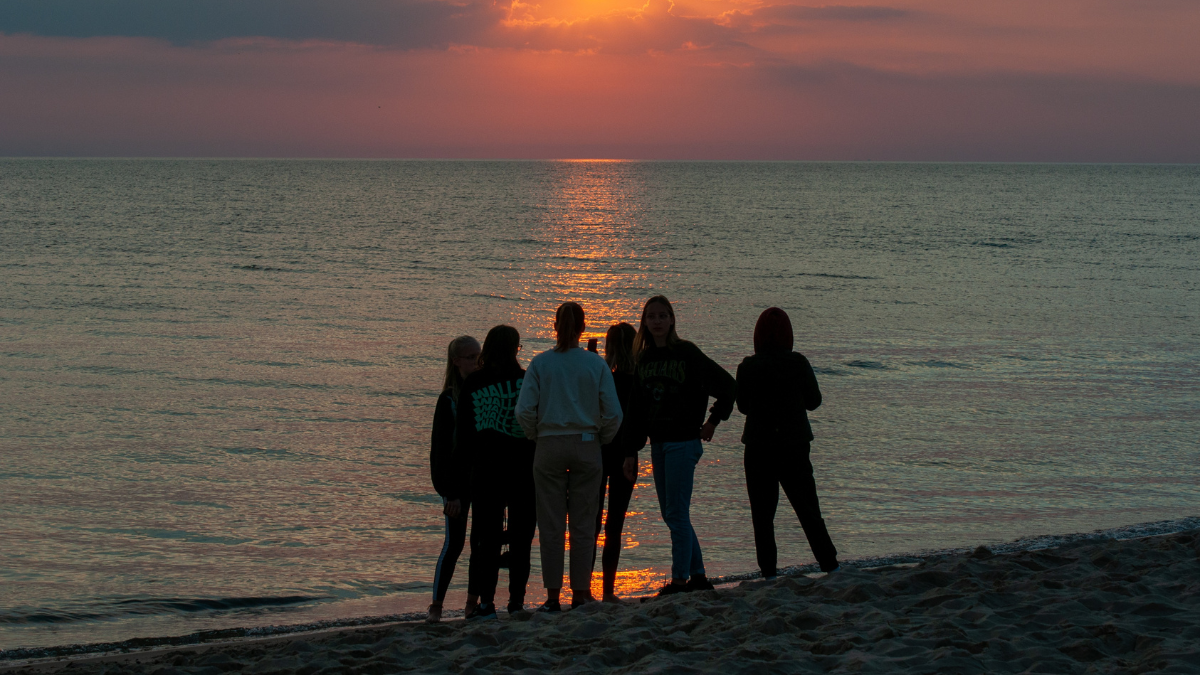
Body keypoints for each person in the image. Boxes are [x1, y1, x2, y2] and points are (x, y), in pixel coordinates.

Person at [515, 302, 623, 611]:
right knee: (583, 522)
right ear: (582, 328)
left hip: (548, 443)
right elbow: (613, 413)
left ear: (555, 327)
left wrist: (536, 435)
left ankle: (552, 596)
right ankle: (580, 592)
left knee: (551, 524)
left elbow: (523, 411)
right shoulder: (595, 364)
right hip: (586, 442)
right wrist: (601, 438)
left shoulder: (540, 363)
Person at [629, 295, 736, 596]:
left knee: (676, 513)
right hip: (658, 443)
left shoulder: (687, 353)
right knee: (672, 514)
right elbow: (636, 408)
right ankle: (698, 576)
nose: (657, 321)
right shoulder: (643, 359)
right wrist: (630, 450)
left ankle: (679, 582)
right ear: (644, 321)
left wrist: (713, 421)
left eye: (663, 316)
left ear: (672, 319)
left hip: (683, 442)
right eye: (651, 316)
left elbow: (728, 385)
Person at [735, 307, 839, 577]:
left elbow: (743, 406)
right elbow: (814, 401)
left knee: (762, 515)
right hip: (794, 445)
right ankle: (829, 564)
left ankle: (768, 572)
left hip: (758, 446)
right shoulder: (798, 363)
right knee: (808, 509)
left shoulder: (748, 367)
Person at [452, 325, 537, 620]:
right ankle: (516, 602)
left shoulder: (474, 382)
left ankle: (487, 604)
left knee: (486, 539)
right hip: (523, 470)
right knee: (521, 538)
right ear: (515, 349)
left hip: (485, 471)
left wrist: (458, 483)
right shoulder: (527, 381)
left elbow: (463, 435)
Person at [427, 335, 480, 623]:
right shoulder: (448, 399)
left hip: (481, 481)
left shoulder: (482, 392)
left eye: (479, 356)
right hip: (456, 486)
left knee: (480, 544)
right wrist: (449, 493)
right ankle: (436, 605)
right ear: (457, 361)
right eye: (471, 357)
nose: (477, 362)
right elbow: (439, 451)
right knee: (454, 545)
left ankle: (472, 603)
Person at [592, 322, 640, 603]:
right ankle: (608, 590)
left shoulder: (602, 379)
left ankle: (584, 588)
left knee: (592, 522)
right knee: (615, 524)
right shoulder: (638, 381)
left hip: (599, 452)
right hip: (627, 453)